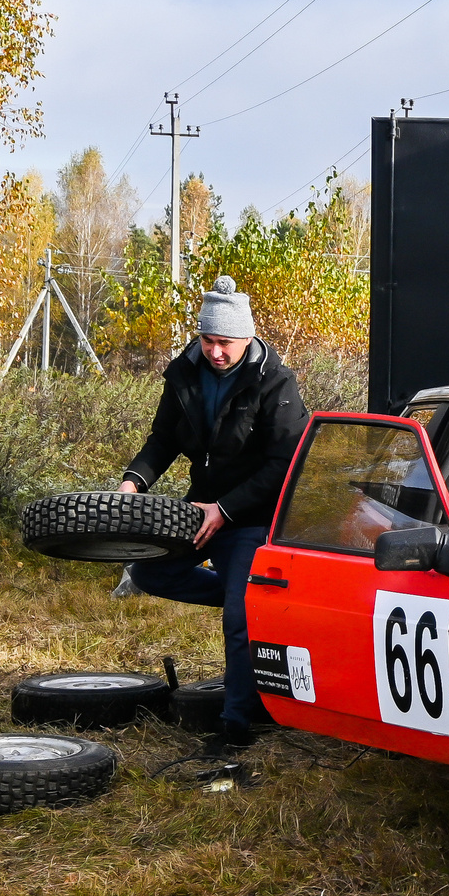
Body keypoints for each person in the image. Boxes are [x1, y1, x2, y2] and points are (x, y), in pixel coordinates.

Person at [118, 276, 309, 756]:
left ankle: (235, 725)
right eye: (207, 340)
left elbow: (286, 461)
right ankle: (240, 598)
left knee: (239, 621)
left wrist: (226, 509)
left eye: (224, 342)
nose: (215, 351)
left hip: (252, 518)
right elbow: (163, 439)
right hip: (198, 508)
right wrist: (133, 482)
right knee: (149, 572)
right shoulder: (184, 372)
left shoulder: (275, 382)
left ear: (246, 338)